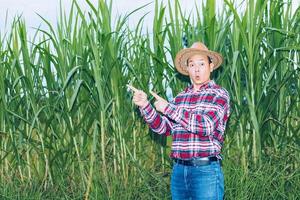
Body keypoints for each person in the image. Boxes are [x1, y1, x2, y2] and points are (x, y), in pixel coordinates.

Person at [128, 42, 230, 200]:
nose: (196, 69)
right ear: (187, 69)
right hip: (179, 171)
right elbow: (164, 129)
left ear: (211, 66)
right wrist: (145, 106)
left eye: (202, 64)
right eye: (192, 64)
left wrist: (169, 109)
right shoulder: (180, 98)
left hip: (206, 171)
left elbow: (207, 125)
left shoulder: (219, 94)